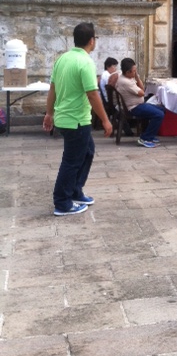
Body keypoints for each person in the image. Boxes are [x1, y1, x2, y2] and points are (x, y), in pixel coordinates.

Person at [43, 22, 113, 216]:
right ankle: (62, 202)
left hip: (67, 118)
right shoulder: (85, 62)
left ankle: (75, 191)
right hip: (76, 120)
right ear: (91, 41)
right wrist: (105, 120)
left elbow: (52, 89)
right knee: (71, 161)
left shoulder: (62, 59)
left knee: (88, 151)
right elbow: (92, 94)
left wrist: (49, 113)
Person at [116, 58, 165, 148]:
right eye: (134, 71)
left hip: (139, 104)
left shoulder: (127, 77)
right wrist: (137, 79)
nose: (135, 73)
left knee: (161, 109)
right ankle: (145, 138)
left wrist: (137, 77)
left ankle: (148, 133)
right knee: (159, 114)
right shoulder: (126, 82)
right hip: (134, 107)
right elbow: (142, 92)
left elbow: (142, 90)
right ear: (127, 72)